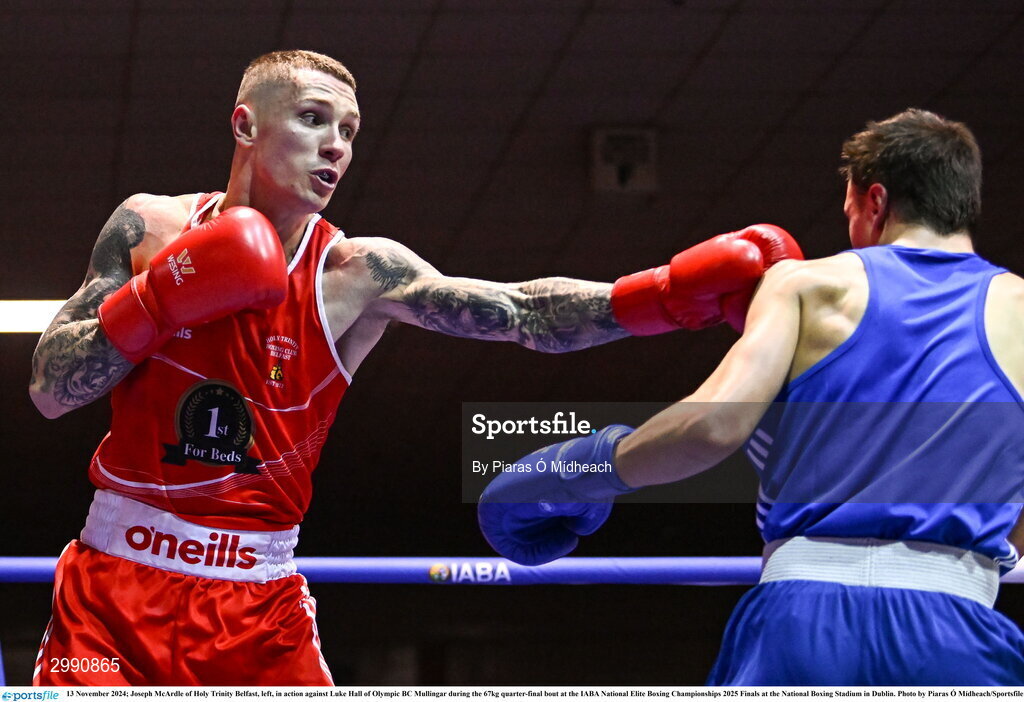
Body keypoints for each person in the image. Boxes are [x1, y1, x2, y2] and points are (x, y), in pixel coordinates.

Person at [27, 50, 800, 686]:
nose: (337, 146)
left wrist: (663, 297)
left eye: (350, 131)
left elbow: (522, 312)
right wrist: (162, 297)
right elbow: (50, 390)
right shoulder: (150, 227)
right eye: (313, 119)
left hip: (257, 609)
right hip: (113, 592)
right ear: (245, 124)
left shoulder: (357, 272)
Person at [478, 108, 1024, 684]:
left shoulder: (808, 284)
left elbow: (713, 426)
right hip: (957, 629)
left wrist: (584, 467)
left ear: (875, 201)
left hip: (805, 622)